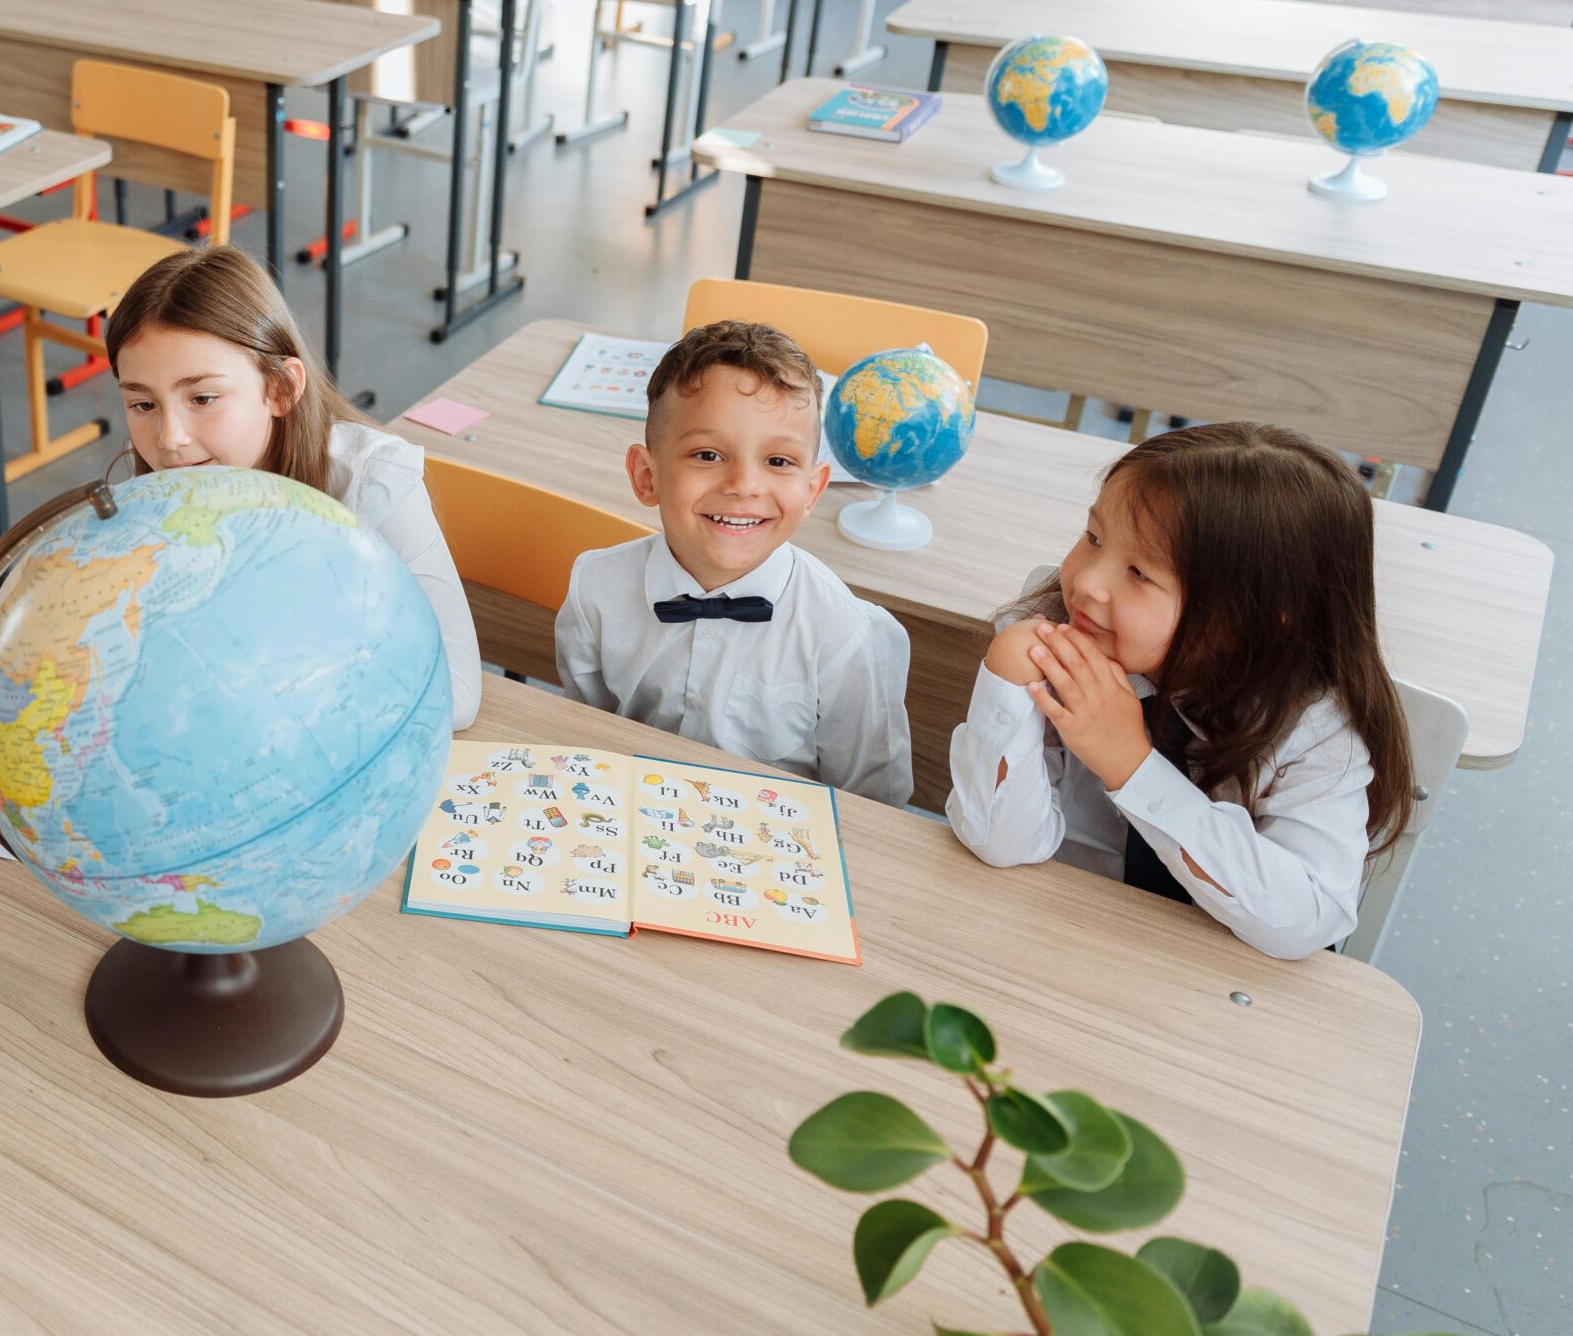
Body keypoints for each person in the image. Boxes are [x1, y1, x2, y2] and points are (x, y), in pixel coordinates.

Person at [946, 423, 1415, 960]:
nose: (1086, 583)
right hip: (1055, 939)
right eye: (1094, 537)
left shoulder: (1312, 729)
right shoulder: (1059, 639)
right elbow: (998, 845)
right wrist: (1007, 680)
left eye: (1140, 573)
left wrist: (1132, 766)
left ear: (1257, 619)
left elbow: (1305, 920)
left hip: (1211, 986)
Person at [107, 245, 482, 729]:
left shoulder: (370, 483)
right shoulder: (153, 495)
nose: (169, 439)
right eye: (143, 405)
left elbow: (457, 692)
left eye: (202, 397)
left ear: (280, 389)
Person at [554, 320, 912, 805]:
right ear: (646, 476)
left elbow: (873, 807)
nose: (744, 484)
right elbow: (588, 738)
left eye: (779, 462)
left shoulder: (846, 636)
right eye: (708, 454)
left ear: (812, 491)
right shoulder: (593, 589)